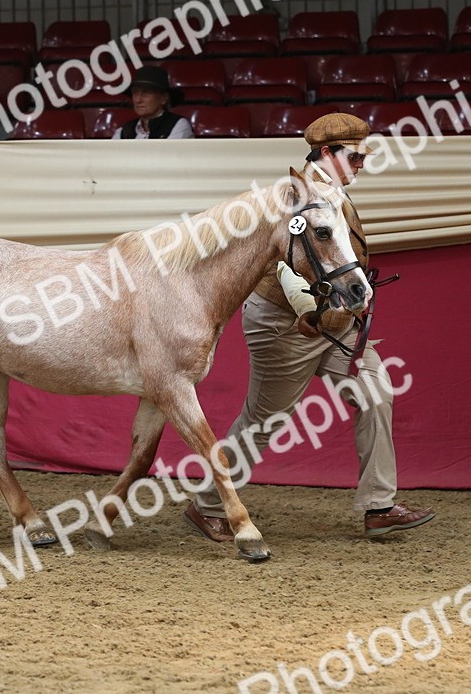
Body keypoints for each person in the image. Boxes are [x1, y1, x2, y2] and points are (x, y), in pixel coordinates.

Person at [183, 112, 436, 541]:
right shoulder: (293, 198)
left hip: (337, 321)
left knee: (376, 391)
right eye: (354, 157)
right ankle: (206, 505)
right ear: (326, 153)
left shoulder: (333, 193)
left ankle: (379, 506)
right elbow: (286, 266)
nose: (361, 164)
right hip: (286, 324)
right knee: (264, 420)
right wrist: (309, 310)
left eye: (363, 157)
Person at [113, 65, 194, 139]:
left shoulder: (178, 125)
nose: (138, 100)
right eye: (135, 92)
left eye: (146, 93)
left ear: (164, 98)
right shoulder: (124, 131)